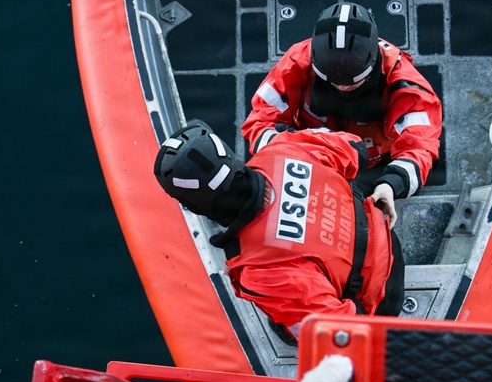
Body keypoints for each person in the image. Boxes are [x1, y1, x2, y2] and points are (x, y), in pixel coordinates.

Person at [154, 120, 404, 342]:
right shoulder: (280, 149)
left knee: (287, 325)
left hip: (381, 297)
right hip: (386, 235)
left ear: (195, 206)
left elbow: (343, 332)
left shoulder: (259, 268)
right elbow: (354, 148)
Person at [242, 1, 443, 217]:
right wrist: (298, 145)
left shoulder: (406, 84)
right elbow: (259, 124)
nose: (343, 87)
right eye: (333, 82)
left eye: (352, 82)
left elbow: (420, 147)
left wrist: (390, 186)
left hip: (374, 171)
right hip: (309, 162)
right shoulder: (296, 62)